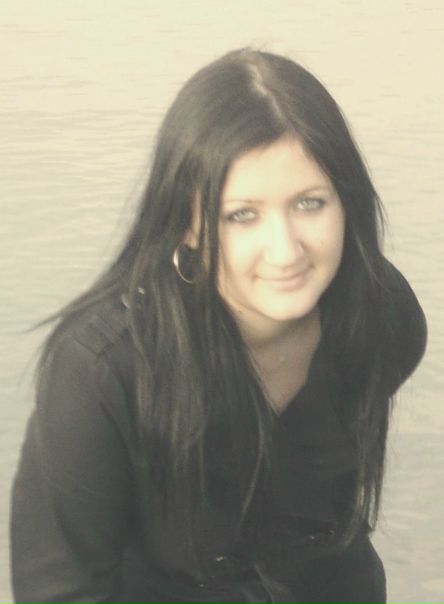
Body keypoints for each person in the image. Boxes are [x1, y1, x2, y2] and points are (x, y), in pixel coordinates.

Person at [10, 48, 427, 604]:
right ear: (186, 223)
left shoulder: (382, 318)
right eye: (242, 215)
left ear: (347, 203)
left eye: (310, 204)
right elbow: (59, 589)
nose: (285, 250)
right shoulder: (102, 372)